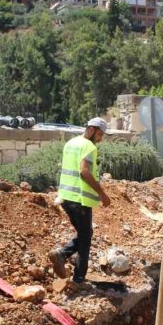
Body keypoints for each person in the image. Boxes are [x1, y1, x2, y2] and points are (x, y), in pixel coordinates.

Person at [48, 118, 112, 289]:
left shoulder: (71, 143)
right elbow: (84, 172)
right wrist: (103, 194)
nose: (100, 139)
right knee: (85, 240)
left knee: (85, 234)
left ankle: (62, 255)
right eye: (99, 134)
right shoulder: (88, 146)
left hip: (66, 198)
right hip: (80, 200)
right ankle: (78, 278)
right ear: (91, 130)